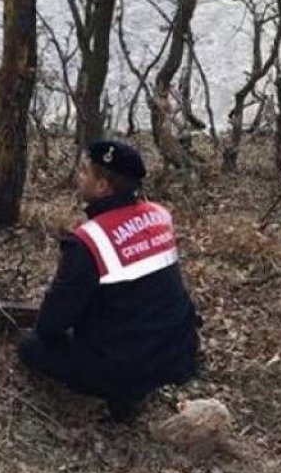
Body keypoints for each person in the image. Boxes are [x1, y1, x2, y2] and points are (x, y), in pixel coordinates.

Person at [18, 140, 200, 422]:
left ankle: (121, 394)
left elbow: (51, 325)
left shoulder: (89, 241)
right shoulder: (159, 215)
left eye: (85, 172)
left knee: (30, 345)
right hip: (179, 351)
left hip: (128, 365)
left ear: (103, 186)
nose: (79, 177)